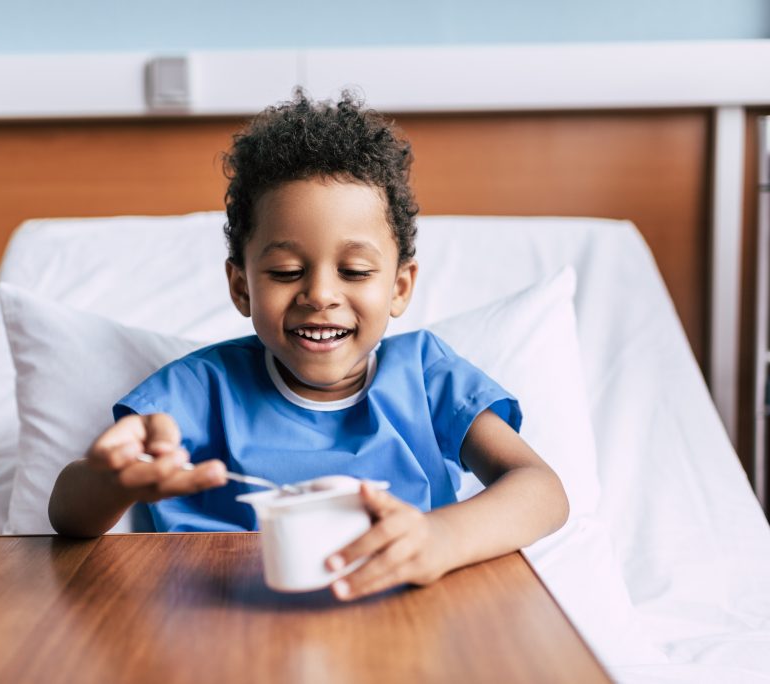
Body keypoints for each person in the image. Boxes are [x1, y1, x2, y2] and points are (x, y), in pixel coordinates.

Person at [49, 90, 569, 601]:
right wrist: (110, 481)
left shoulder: (428, 378)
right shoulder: (199, 391)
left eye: (355, 271)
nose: (320, 294)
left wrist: (441, 539)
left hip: (407, 621)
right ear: (241, 287)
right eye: (286, 271)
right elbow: (68, 516)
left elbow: (541, 490)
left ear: (400, 287)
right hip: (220, 629)